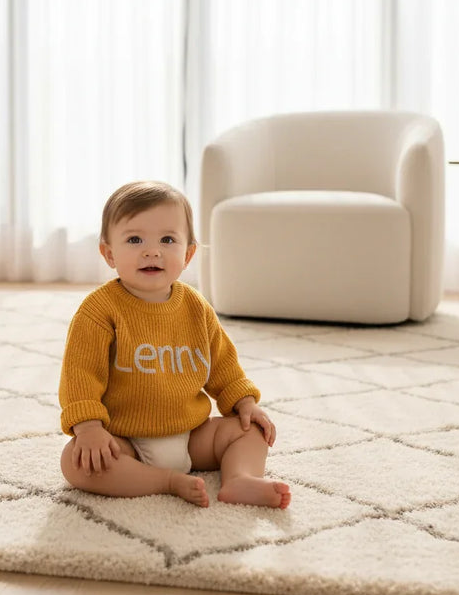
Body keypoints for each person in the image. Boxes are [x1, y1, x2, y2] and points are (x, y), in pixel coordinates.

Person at [58, 180, 291, 509]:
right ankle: (164, 481)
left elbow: (223, 365)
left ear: (188, 254)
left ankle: (240, 478)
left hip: (192, 434)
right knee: (76, 462)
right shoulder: (99, 311)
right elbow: (80, 375)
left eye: (167, 240)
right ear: (109, 253)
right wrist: (89, 428)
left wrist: (244, 402)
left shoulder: (196, 307)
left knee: (251, 430)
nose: (152, 251)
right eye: (135, 239)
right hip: (124, 439)